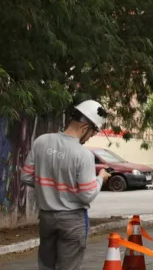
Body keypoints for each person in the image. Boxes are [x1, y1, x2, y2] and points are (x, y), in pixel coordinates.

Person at [21, 100, 110, 270]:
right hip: (72, 220)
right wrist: (100, 178)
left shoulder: (41, 142)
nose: (90, 137)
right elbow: (87, 194)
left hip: (46, 218)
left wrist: (48, 187)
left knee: (46, 266)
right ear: (85, 128)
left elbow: (26, 176)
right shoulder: (83, 155)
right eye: (92, 133)